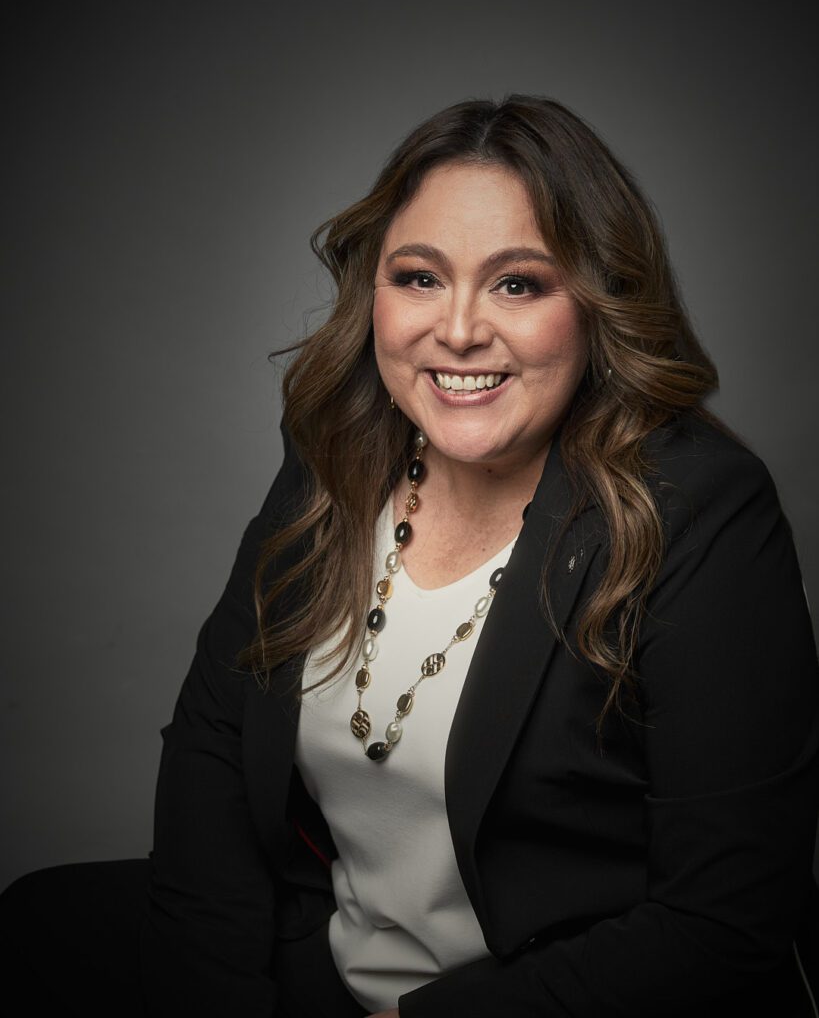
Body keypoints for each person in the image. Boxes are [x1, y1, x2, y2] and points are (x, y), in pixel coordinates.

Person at [1, 94, 818, 1018]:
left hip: (544, 1001)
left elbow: (722, 921)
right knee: (38, 924)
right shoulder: (342, 448)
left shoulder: (699, 506)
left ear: (599, 305)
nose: (459, 329)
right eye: (419, 276)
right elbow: (216, 742)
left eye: (519, 283)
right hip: (331, 957)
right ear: (374, 294)